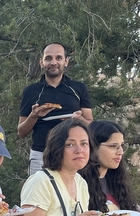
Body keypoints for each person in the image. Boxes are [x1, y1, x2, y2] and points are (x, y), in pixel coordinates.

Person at [17, 43, 93, 175]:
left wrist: (79, 119)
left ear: (66, 61)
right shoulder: (31, 91)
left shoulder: (78, 88)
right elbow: (21, 132)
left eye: (58, 58)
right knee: (39, 195)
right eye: (48, 58)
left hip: (73, 154)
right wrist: (34, 116)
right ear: (42, 63)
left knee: (73, 195)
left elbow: (91, 125)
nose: (53, 62)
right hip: (40, 155)